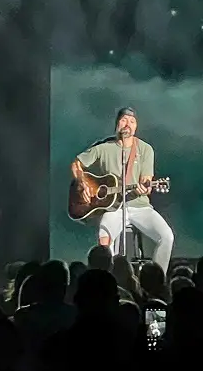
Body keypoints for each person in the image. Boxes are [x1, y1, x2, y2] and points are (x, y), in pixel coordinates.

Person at [70, 106, 174, 272]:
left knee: (167, 236)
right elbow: (76, 164)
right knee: (104, 242)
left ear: (136, 127)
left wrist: (144, 188)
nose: (128, 124)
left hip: (140, 206)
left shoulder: (145, 149)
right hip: (114, 208)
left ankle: (157, 278)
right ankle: (108, 279)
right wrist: (83, 184)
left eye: (132, 121)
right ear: (117, 124)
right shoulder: (103, 148)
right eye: (124, 120)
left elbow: (146, 183)